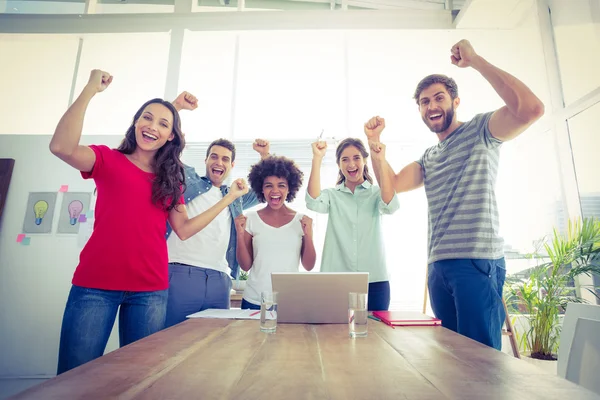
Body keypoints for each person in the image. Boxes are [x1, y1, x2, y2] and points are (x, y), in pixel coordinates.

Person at [50, 69, 249, 374]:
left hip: (150, 291)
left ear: (171, 136)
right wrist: (90, 90)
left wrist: (228, 199)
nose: (152, 126)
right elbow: (61, 147)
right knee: (74, 378)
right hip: (94, 286)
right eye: (146, 118)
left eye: (163, 123)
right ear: (135, 123)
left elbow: (184, 229)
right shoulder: (108, 160)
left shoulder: (170, 178)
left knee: (141, 380)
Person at [365, 39, 545, 349]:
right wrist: (373, 144)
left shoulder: (480, 131)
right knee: (451, 360)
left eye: (439, 98)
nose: (431, 106)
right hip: (438, 267)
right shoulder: (429, 156)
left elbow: (531, 109)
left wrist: (475, 61)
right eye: (424, 101)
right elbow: (390, 185)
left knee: (480, 358)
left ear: (455, 101)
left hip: (476, 260)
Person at [164, 134, 271, 327]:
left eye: (225, 159)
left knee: (213, 344)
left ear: (232, 165)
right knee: (172, 342)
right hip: (182, 272)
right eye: (214, 156)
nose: (219, 162)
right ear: (205, 160)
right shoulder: (188, 182)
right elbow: (169, 159)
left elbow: (262, 191)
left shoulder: (234, 196)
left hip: (219, 279)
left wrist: (264, 156)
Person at [306, 138, 399, 311]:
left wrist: (379, 160)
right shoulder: (332, 195)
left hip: (375, 280)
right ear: (339, 165)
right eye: (345, 159)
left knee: (376, 335)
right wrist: (317, 158)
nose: (351, 164)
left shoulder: (377, 193)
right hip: (335, 280)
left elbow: (391, 206)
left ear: (365, 160)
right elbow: (312, 201)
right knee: (333, 336)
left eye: (356, 158)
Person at [234, 156, 317, 310]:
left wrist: (309, 235)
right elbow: (245, 266)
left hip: (290, 302)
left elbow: (309, 265)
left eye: (281, 185)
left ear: (290, 188)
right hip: (254, 301)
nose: (275, 191)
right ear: (261, 188)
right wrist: (239, 234)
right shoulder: (250, 219)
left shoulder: (301, 221)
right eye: (268, 185)